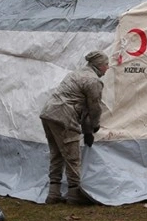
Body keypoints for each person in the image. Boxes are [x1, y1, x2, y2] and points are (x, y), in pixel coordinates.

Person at [39, 51, 109, 204]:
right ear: (99, 66)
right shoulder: (93, 81)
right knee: (72, 156)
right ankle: (74, 193)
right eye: (106, 65)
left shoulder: (76, 74)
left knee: (56, 154)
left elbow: (80, 107)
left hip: (49, 113)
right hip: (64, 116)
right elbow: (94, 108)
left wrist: (86, 130)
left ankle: (53, 193)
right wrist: (95, 126)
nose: (108, 68)